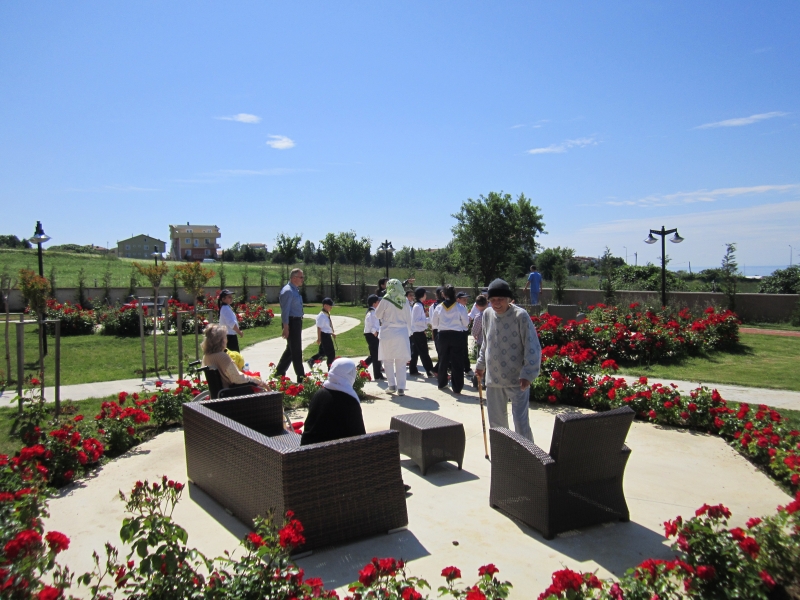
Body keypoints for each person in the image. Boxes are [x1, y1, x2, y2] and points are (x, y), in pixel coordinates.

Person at [475, 278, 541, 441]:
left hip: (517, 379)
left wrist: (528, 374)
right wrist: (480, 365)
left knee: (520, 422)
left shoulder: (520, 315)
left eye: (500, 299)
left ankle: (527, 453)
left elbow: (532, 346)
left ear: (509, 299)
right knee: (497, 423)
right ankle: (502, 452)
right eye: (493, 300)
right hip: (494, 378)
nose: (496, 303)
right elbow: (486, 342)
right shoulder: (487, 314)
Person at [300, 358, 366, 446]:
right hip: (331, 451)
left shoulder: (319, 394)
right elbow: (360, 436)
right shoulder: (349, 401)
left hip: (306, 448)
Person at [375, 279, 413, 395]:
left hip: (388, 332)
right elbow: (409, 317)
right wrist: (409, 332)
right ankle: (401, 388)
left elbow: (377, 314)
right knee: (401, 361)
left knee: (388, 359)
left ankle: (391, 385)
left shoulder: (386, 299)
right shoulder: (404, 300)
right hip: (401, 332)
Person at [201, 323, 265, 390]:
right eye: (225, 337)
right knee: (262, 390)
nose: (227, 340)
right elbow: (238, 378)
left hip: (220, 392)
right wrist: (257, 381)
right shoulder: (223, 357)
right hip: (230, 392)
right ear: (221, 340)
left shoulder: (206, 357)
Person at [431, 284, 469, 393]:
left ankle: (442, 383)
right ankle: (457, 387)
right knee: (457, 361)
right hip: (457, 335)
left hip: (443, 335)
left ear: (443, 294)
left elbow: (434, 324)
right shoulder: (460, 307)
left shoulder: (439, 307)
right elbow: (466, 323)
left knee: (443, 359)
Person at [276, 268, 306, 383]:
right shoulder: (288, 291)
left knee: (290, 350)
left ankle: (279, 373)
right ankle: (301, 378)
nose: (303, 279)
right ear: (294, 278)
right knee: (296, 351)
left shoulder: (295, 290)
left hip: (296, 321)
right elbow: (285, 311)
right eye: (301, 277)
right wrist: (286, 327)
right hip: (291, 322)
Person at [409, 287, 434, 377]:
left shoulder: (419, 305)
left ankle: (413, 370)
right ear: (422, 295)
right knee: (424, 352)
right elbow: (416, 321)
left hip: (418, 331)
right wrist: (428, 320)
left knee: (415, 352)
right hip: (418, 332)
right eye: (425, 294)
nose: (426, 295)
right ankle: (430, 370)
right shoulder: (417, 306)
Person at [307, 298, 336, 369]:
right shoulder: (321, 316)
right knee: (331, 354)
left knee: (323, 352)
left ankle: (312, 360)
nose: (331, 307)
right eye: (330, 306)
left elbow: (326, 327)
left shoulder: (326, 314)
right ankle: (330, 369)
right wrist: (319, 338)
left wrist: (332, 333)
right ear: (325, 306)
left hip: (327, 334)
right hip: (324, 336)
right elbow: (319, 328)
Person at [363, 294, 384, 380]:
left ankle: (359, 368)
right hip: (371, 335)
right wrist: (374, 332)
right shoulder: (371, 312)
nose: (379, 303)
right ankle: (378, 375)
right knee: (376, 356)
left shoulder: (375, 311)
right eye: (378, 301)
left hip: (375, 334)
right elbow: (369, 323)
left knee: (374, 355)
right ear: (374, 303)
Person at [470, 295, 488, 387]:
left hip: (482, 342)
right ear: (487, 303)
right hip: (492, 343)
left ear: (476, 306)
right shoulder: (493, 315)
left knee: (481, 362)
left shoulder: (479, 317)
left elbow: (475, 331)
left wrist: (475, 335)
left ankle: (479, 381)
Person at [456, 292, 473, 378]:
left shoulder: (464, 307)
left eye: (466, 299)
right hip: (460, 331)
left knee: (464, 351)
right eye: (464, 299)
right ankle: (466, 369)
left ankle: (466, 368)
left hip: (464, 331)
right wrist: (467, 320)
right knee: (461, 351)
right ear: (458, 299)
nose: (466, 301)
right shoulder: (457, 308)